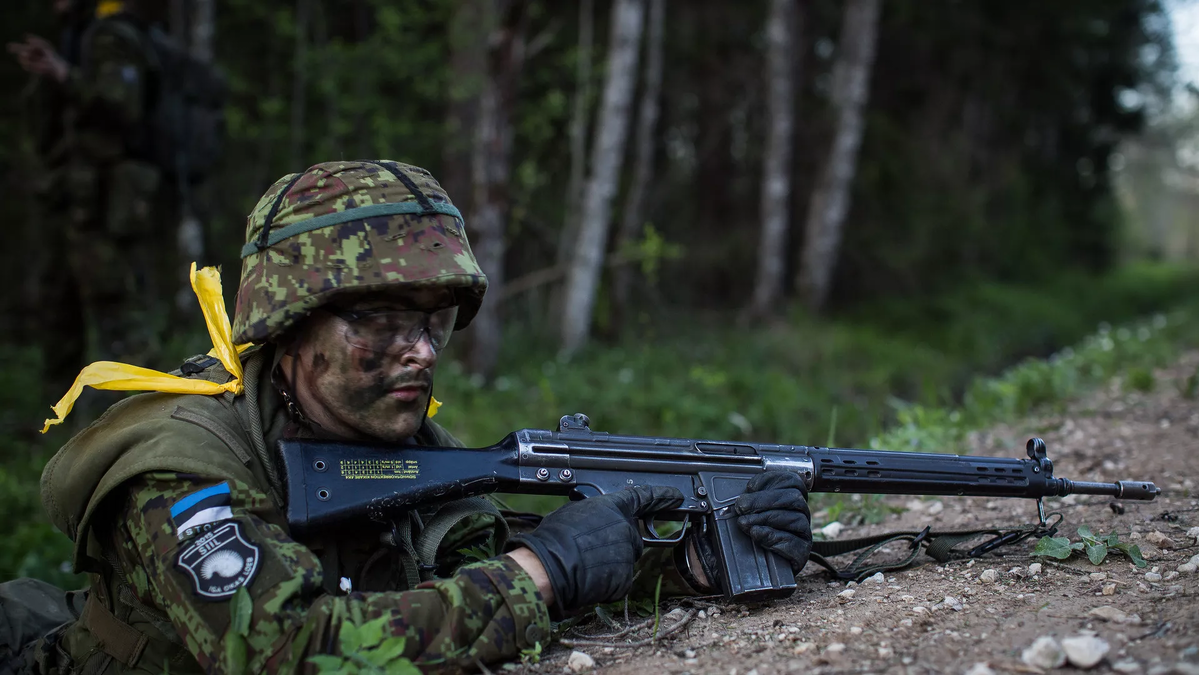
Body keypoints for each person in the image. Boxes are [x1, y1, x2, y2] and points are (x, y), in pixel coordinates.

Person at [27, 160, 812, 673]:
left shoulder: (390, 433)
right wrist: (542, 572)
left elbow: (463, 567)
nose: (420, 352)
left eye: (435, 320)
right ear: (288, 326)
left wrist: (685, 564)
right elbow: (287, 648)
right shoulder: (181, 463)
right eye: (381, 320)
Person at [8, 0, 177, 393]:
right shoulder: (77, 34)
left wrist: (64, 74)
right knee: (57, 308)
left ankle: (142, 414)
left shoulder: (110, 35)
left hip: (105, 203)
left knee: (116, 306)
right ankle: (57, 422)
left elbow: (122, 105)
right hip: (69, 200)